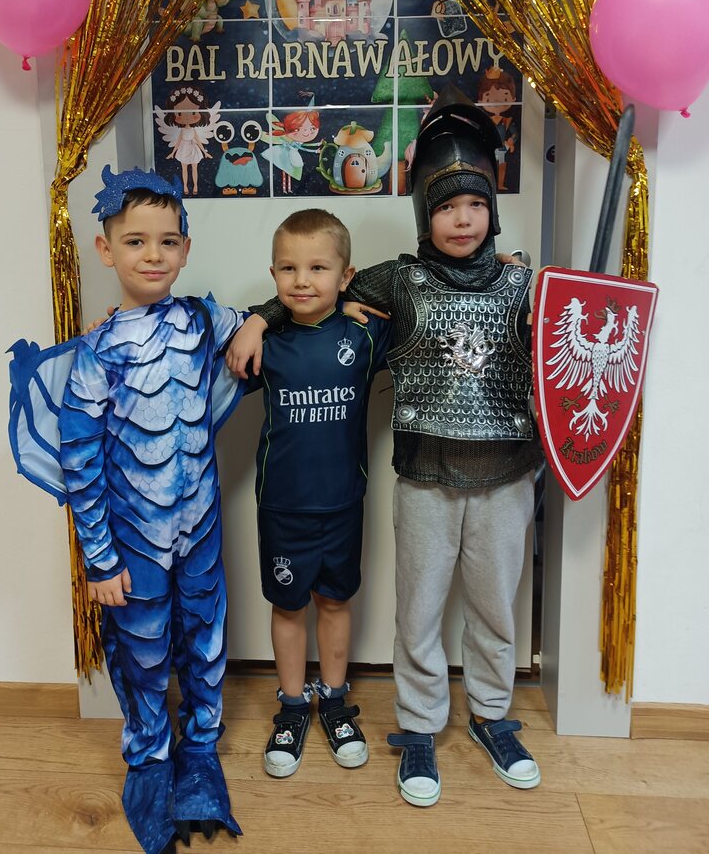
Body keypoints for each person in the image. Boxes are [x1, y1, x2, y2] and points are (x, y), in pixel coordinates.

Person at [227, 88, 544, 806]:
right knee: (420, 612)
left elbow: (570, 346)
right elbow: (316, 292)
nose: (462, 219)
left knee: (496, 608)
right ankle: (421, 725)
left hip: (506, 473)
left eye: (476, 204)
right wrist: (260, 316)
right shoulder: (399, 280)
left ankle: (492, 716)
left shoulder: (524, 282)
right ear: (423, 212)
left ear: (493, 209)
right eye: (445, 205)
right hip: (425, 474)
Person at [57, 167, 245, 853]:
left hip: (200, 531)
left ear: (186, 249)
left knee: (206, 639)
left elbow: (261, 319)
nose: (153, 255)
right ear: (106, 250)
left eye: (168, 241)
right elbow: (79, 463)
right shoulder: (94, 354)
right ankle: (149, 757)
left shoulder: (203, 320)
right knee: (140, 652)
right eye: (135, 241)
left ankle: (201, 749)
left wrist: (256, 324)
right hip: (132, 541)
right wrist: (99, 559)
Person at [244, 209, 392, 778]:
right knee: (287, 607)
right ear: (273, 274)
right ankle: (290, 707)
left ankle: (333, 701)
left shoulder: (364, 332)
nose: (302, 280)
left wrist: (501, 266)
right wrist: (259, 319)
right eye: (288, 268)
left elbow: (414, 280)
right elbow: (198, 338)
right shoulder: (264, 340)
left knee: (334, 602)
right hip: (282, 506)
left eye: (318, 268)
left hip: (343, 504)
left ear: (345, 274)